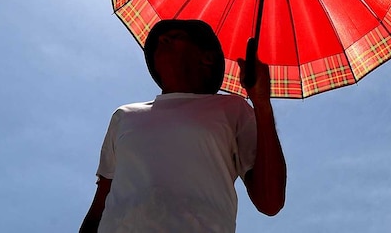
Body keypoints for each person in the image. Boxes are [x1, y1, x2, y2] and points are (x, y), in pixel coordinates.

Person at [80, 19, 287, 232]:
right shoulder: (124, 116)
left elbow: (270, 202)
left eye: (177, 36)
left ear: (207, 58)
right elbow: (99, 208)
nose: (163, 38)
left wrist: (262, 103)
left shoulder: (232, 108)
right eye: (162, 38)